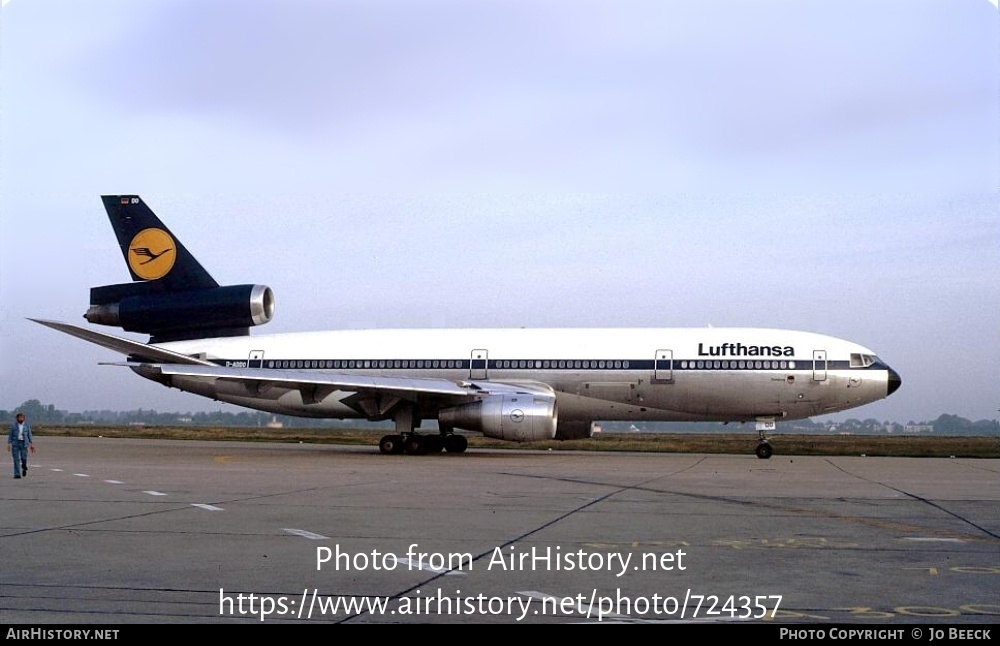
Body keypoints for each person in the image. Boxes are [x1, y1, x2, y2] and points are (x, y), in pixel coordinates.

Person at [7, 412, 34, 479]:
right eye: (19, 417)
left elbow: (29, 435)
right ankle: (17, 474)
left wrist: (31, 444)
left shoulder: (27, 426)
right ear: (17, 418)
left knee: (23, 457)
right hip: (15, 443)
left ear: (24, 418)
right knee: (16, 459)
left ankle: (24, 466)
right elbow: (10, 435)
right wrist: (8, 443)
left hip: (24, 443)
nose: (21, 419)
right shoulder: (13, 426)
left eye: (22, 417)